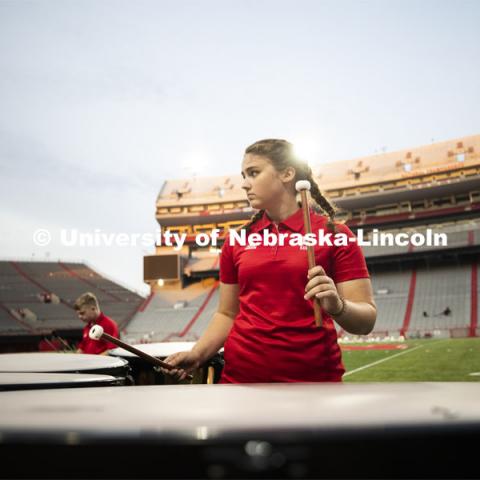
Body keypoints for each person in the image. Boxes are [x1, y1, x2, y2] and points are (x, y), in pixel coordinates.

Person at [163, 139, 377, 383]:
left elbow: (366, 321)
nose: (244, 184)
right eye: (243, 175)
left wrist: (338, 306)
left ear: (287, 173)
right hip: (240, 381)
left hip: (314, 383)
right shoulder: (237, 240)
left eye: (253, 173)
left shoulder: (335, 234)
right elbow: (227, 313)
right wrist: (198, 354)